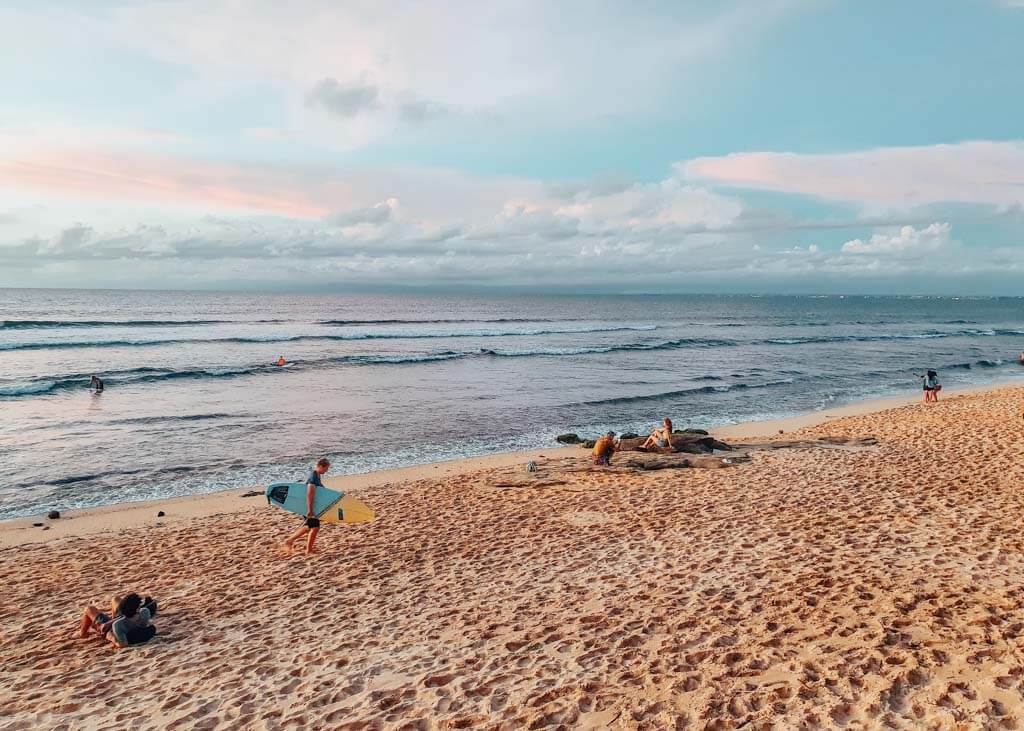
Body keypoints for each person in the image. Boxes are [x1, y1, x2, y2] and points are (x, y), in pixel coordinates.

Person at [284, 458, 331, 554]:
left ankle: (289, 541)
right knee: (315, 528)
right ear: (320, 466)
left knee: (309, 527)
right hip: (308, 506)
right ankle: (308, 550)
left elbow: (319, 487)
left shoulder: (317, 475)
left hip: (312, 505)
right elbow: (309, 494)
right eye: (326, 468)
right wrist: (310, 510)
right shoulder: (312, 477)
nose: (327, 471)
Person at [79, 593, 157, 648]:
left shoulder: (118, 625)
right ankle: (111, 619)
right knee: (115, 599)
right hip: (123, 621)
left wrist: (110, 637)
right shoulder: (145, 612)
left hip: (111, 631)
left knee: (89, 609)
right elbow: (127, 617)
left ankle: (83, 634)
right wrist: (111, 622)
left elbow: (122, 645)